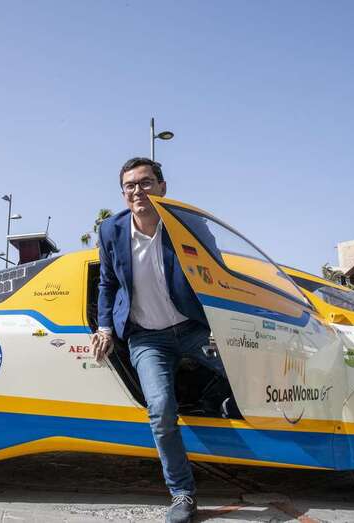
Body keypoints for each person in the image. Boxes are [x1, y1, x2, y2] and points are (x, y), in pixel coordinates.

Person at [92, 157, 226, 523]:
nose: (138, 191)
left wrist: (221, 323)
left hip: (195, 328)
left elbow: (214, 275)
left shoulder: (188, 225)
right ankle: (182, 493)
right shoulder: (111, 231)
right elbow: (107, 284)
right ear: (123, 194)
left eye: (145, 183)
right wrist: (104, 329)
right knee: (162, 409)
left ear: (162, 187)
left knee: (246, 373)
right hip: (147, 338)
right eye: (130, 186)